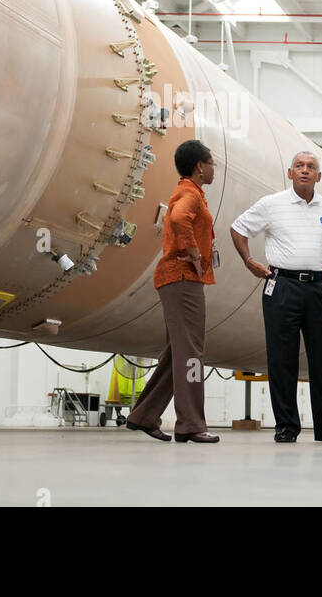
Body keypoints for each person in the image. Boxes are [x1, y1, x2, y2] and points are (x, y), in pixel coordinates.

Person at [230, 151, 322, 444]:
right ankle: (286, 426)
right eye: (299, 166)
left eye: (311, 167)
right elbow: (238, 229)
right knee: (281, 359)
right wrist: (249, 261)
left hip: (318, 290)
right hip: (282, 286)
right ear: (290, 174)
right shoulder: (271, 205)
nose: (304, 171)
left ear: (319, 176)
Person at [125, 139, 219, 444]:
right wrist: (193, 252)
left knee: (175, 354)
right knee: (192, 352)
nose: (214, 168)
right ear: (200, 166)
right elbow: (179, 219)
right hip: (183, 279)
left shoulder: (190, 192)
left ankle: (143, 416)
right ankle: (191, 424)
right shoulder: (190, 194)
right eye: (212, 162)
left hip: (175, 279)